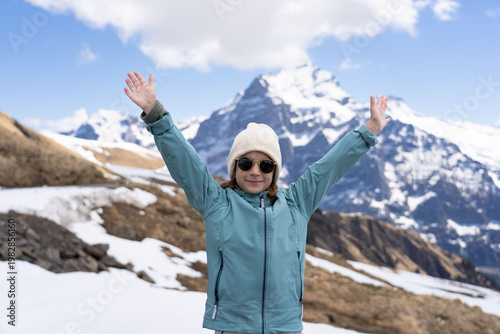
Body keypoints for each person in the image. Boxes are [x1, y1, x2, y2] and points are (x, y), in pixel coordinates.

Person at [124, 71, 390, 334]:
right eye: (245, 162)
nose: (255, 171)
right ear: (234, 168)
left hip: (284, 327)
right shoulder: (217, 203)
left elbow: (331, 165)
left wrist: (369, 131)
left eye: (265, 165)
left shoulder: (297, 203)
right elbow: (185, 162)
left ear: (274, 171)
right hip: (233, 326)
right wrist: (155, 113)